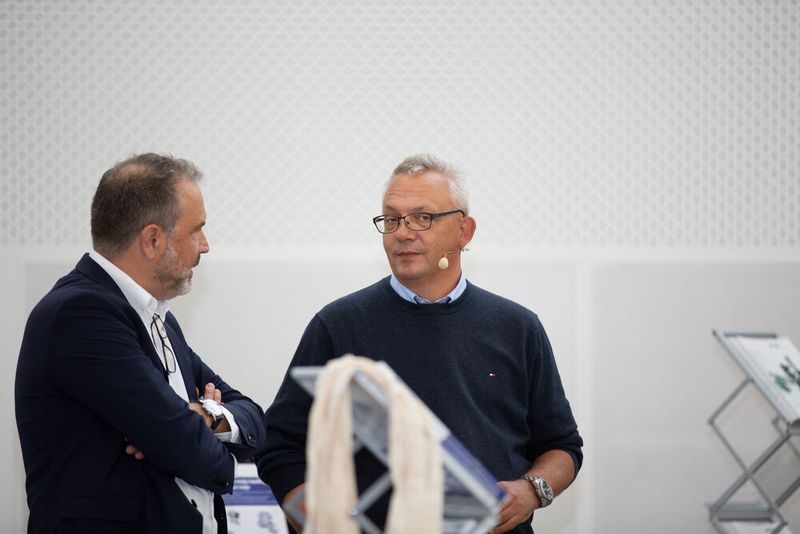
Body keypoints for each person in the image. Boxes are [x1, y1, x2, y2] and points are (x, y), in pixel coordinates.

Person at [256, 154, 583, 533]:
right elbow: (280, 446)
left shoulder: (517, 327)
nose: (402, 232)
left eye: (422, 218)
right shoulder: (338, 325)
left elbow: (563, 447)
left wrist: (531, 492)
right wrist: (317, 518)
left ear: (465, 231)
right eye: (391, 219)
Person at [15, 153, 266, 534]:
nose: (205, 246)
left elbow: (252, 416)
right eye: (196, 231)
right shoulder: (81, 313)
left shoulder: (159, 319)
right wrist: (198, 439)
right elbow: (180, 442)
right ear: (152, 240)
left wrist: (207, 416)